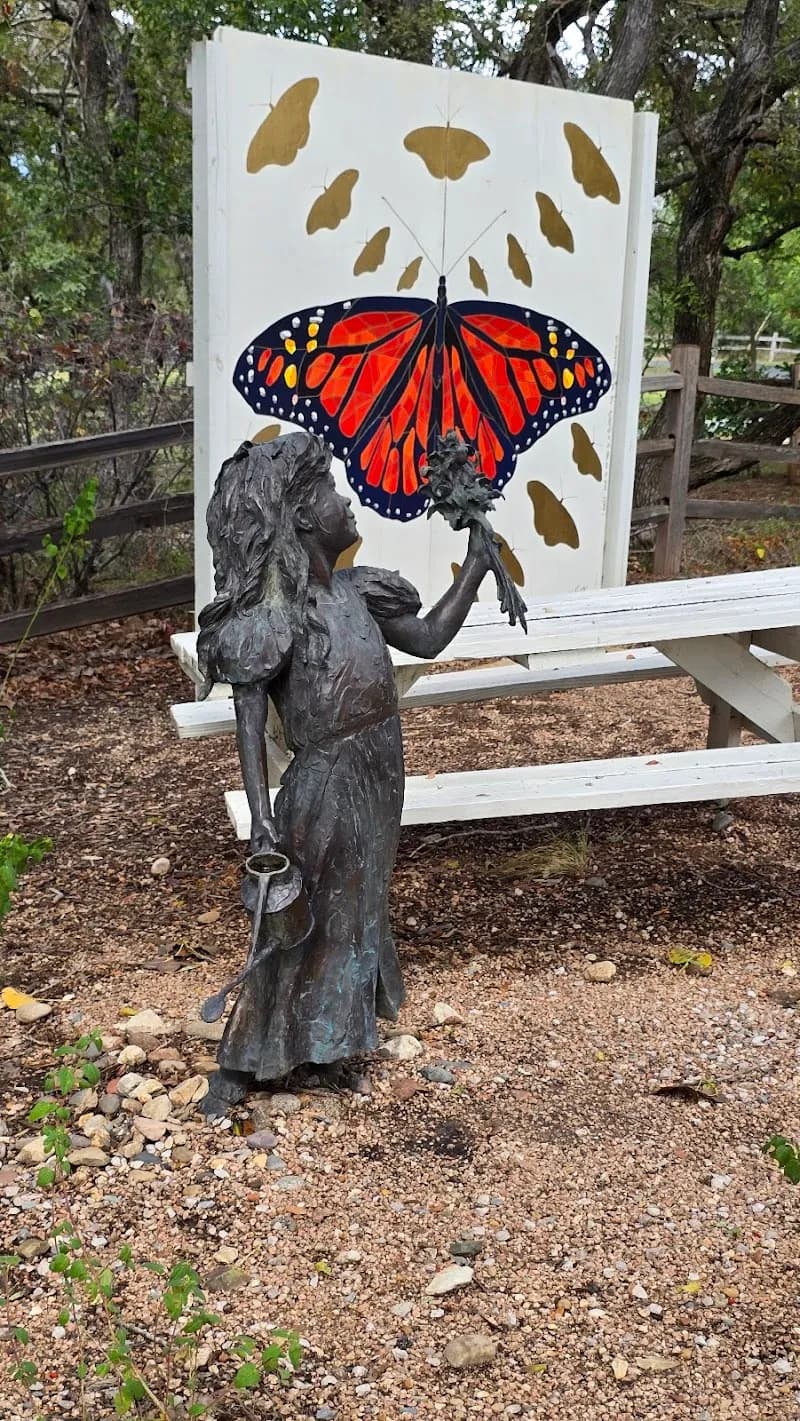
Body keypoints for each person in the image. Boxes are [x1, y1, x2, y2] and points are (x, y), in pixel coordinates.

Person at [196, 431, 490, 1111]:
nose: (345, 501)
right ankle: (250, 1055)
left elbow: (427, 636)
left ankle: (326, 1046)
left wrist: (473, 570)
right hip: (323, 779)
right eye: (330, 492)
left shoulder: (360, 592)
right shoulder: (276, 617)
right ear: (301, 517)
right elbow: (247, 718)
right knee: (300, 918)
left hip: (379, 767)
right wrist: (264, 820)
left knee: (356, 912)